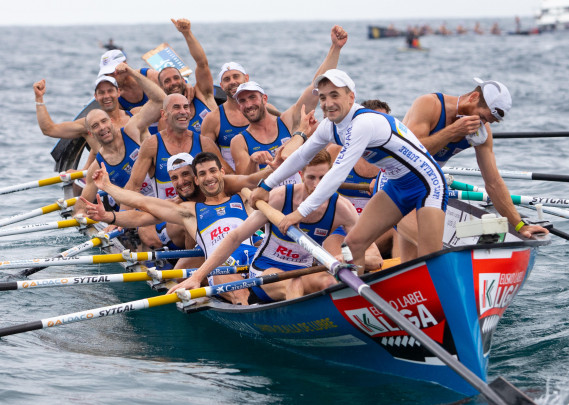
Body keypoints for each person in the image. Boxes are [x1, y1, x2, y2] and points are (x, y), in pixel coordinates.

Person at [251, 69, 448, 274]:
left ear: (351, 97)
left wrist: (300, 213)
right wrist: (266, 186)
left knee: (430, 258)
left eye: (335, 95)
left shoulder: (363, 124)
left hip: (427, 184)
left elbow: (337, 174)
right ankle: (357, 300)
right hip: (396, 185)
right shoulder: (329, 126)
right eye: (323, 97)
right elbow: (301, 156)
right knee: (354, 244)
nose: (328, 103)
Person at [168, 150, 370, 302]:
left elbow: (372, 256)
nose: (317, 185)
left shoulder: (343, 208)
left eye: (323, 178)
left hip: (303, 269)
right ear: (301, 174)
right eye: (311, 178)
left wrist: (346, 257)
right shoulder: (280, 198)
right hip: (263, 271)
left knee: (328, 283)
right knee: (293, 284)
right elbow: (235, 237)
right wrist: (198, 276)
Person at [396, 77, 548, 260]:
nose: (482, 124)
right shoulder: (430, 105)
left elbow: (493, 182)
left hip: (427, 189)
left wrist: (519, 226)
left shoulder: (482, 130)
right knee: (431, 249)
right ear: (474, 97)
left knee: (413, 261)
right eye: (483, 117)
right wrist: (453, 131)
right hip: (395, 185)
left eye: (487, 121)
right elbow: (409, 152)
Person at [89, 152, 259, 304]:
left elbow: (254, 180)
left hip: (245, 247)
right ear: (198, 178)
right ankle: (213, 288)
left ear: (195, 177)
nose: (182, 182)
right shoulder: (182, 207)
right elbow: (141, 209)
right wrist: (110, 214)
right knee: (178, 272)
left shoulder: (229, 188)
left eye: (185, 174)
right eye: (175, 178)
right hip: (209, 252)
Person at [229, 25, 348, 178]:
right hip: (268, 197)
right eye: (243, 101)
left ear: (264, 99)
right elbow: (245, 184)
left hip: (296, 195)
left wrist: (335, 48)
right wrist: (253, 163)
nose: (249, 104)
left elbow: (316, 87)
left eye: (252, 97)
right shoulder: (239, 141)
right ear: (239, 107)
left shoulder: (287, 121)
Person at [33, 63, 164, 168]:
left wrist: (132, 73)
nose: (106, 96)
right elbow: (49, 129)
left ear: (118, 92)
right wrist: (39, 99)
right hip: (112, 186)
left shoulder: (135, 115)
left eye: (110, 91)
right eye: (101, 92)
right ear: (95, 97)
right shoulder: (87, 125)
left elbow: (161, 101)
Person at [200, 62, 281, 171]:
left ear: (246, 78)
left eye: (236, 76)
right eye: (227, 79)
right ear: (221, 86)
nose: (232, 82)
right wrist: (235, 179)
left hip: (270, 173)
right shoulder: (213, 119)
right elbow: (208, 157)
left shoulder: (268, 109)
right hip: (236, 180)